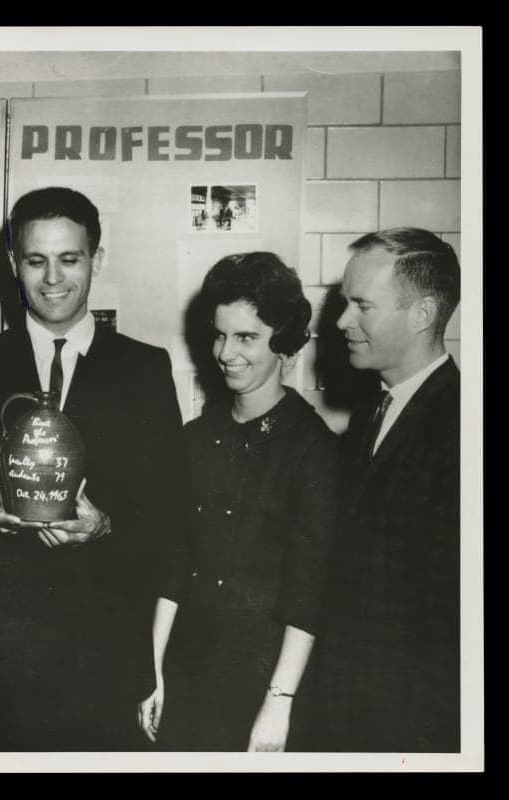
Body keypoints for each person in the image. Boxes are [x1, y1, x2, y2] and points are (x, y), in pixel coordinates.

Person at [0, 186, 183, 751]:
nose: (53, 278)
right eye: (36, 260)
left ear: (96, 259)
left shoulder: (144, 370)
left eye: (70, 258)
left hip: (104, 659)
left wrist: (106, 525)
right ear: (13, 263)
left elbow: (169, 512)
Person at [137, 252, 338, 751]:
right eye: (220, 334)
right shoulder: (193, 440)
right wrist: (152, 672)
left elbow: (308, 592)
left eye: (246, 337)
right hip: (187, 668)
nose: (226, 352)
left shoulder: (314, 450)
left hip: (266, 678)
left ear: (284, 342)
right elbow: (173, 566)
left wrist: (279, 703)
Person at [313, 228, 461, 752]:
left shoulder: (461, 426)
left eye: (362, 306)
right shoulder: (371, 414)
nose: (341, 322)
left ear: (422, 314)